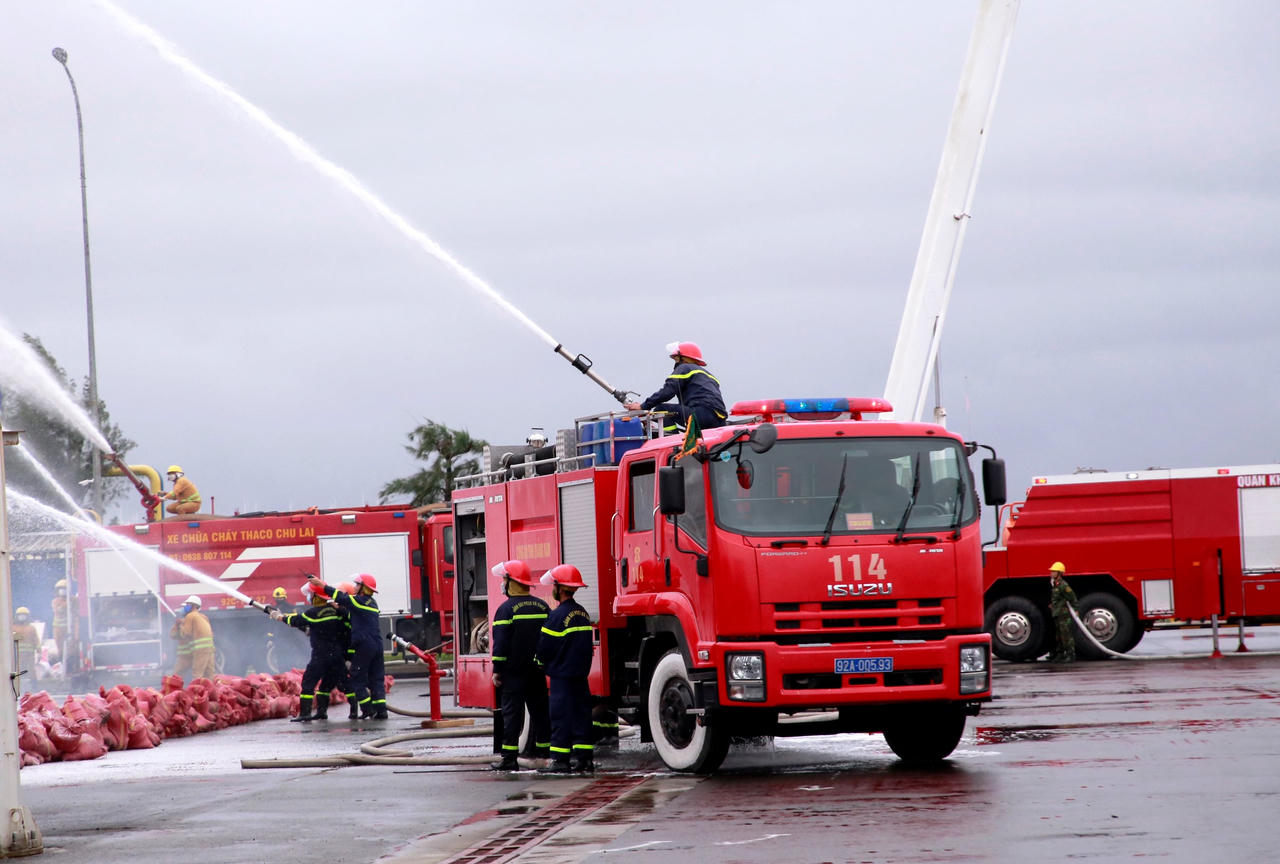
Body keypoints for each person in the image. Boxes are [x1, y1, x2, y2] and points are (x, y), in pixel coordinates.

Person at [488, 560, 551, 771]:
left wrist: (497, 670)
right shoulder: (543, 606)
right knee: (541, 713)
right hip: (537, 671)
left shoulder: (505, 610)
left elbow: (501, 644)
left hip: (513, 673)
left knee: (512, 715)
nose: (502, 584)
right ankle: (544, 753)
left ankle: (509, 758)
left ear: (512, 582)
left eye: (504, 579)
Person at [536, 564, 595, 774]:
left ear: (559, 587)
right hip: (581, 676)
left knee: (561, 717)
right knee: (582, 717)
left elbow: (545, 647)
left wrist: (539, 662)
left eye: (553, 584)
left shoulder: (557, 616)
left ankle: (560, 760)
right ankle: (584, 760)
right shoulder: (583, 613)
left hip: (562, 678)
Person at [308, 573, 385, 719]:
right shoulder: (371, 603)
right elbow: (351, 615)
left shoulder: (359, 601)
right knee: (376, 679)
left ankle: (368, 710)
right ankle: (381, 711)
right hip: (377, 645)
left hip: (364, 646)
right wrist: (337, 607)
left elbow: (341, 597)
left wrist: (321, 585)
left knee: (356, 679)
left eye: (357, 584)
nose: (354, 587)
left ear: (363, 588)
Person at [271, 583, 347, 722]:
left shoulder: (313, 613)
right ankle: (356, 711)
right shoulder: (335, 611)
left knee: (308, 683)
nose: (309, 597)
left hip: (321, 655)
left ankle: (305, 714)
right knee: (332, 684)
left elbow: (296, 620)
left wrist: (279, 617)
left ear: (317, 597)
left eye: (311, 594)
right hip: (336, 654)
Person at [624, 341, 727, 435]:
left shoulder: (684, 368)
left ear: (684, 358)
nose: (676, 362)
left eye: (677, 358)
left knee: (661, 410)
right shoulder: (709, 375)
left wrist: (643, 406)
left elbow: (667, 391)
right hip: (719, 419)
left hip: (700, 414)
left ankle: (671, 440)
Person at [170, 594, 216, 681]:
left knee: (197, 674)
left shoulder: (190, 616)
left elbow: (185, 633)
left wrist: (180, 625)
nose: (185, 607)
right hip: (210, 648)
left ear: (194, 606)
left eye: (187, 604)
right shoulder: (204, 617)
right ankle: (211, 692)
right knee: (209, 674)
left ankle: (197, 693)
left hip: (199, 650)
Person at [1048, 561, 1079, 662]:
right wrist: (1053, 605)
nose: (1051, 573)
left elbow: (1072, 598)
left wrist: (1076, 609)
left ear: (1059, 573)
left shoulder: (1063, 585)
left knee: (1066, 635)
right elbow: (1057, 598)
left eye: (1054, 571)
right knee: (1059, 636)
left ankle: (1070, 654)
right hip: (1057, 613)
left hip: (1063, 615)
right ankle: (1060, 654)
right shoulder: (1055, 585)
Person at [13, 607, 40, 695]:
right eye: (20, 615)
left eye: (24, 615)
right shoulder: (13, 628)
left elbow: (36, 640)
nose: (22, 617)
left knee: (31, 671)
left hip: (29, 655)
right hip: (17, 655)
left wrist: (39, 650)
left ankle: (35, 687)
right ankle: (16, 688)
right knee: (16, 671)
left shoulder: (31, 628)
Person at [50, 578, 68, 673]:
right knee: (60, 650)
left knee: (71, 651)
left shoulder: (72, 600)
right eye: (61, 589)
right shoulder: (55, 601)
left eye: (64, 588)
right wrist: (67, 603)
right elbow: (59, 610)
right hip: (58, 630)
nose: (63, 591)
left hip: (69, 630)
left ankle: (68, 669)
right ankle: (62, 669)